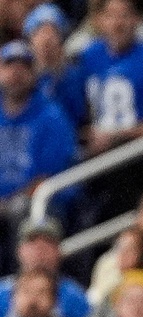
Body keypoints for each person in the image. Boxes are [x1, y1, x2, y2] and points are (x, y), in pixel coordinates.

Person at [77, 0, 143, 155]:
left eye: (124, 16)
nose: (118, 24)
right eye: (111, 16)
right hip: (99, 153)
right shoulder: (89, 55)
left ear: (137, 19)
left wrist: (119, 135)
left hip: (141, 154)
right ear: (98, 20)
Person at [0, 40, 75, 205]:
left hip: (40, 204)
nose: (16, 73)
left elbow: (48, 177)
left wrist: (6, 205)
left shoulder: (52, 117)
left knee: (20, 207)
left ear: (34, 74)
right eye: (9, 66)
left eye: (24, 67)